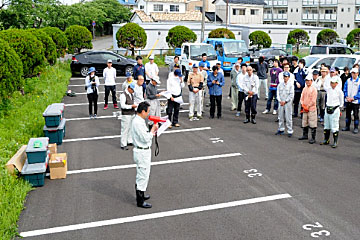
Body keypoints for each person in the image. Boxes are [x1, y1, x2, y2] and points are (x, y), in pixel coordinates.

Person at [131, 101, 159, 208]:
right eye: (147, 111)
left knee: (144, 174)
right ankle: (140, 200)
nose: (148, 114)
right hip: (141, 151)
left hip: (143, 150)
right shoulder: (138, 122)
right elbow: (145, 138)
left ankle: (141, 194)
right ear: (142, 111)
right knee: (142, 175)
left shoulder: (139, 120)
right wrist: (152, 131)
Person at [321, 78, 344, 148]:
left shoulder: (339, 91)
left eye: (334, 83)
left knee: (334, 126)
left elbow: (341, 101)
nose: (332, 84)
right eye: (331, 83)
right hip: (328, 107)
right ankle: (326, 139)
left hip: (335, 108)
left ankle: (335, 141)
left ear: (337, 83)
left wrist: (339, 109)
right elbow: (324, 85)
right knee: (326, 125)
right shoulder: (328, 89)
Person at [298, 75, 318, 144]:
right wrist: (303, 104)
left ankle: (313, 137)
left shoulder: (314, 89)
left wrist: (308, 106)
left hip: (311, 108)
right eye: (306, 80)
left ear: (311, 81)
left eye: (309, 80)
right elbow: (302, 98)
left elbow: (313, 100)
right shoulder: (304, 88)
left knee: (312, 123)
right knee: (304, 122)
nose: (307, 82)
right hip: (305, 108)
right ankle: (305, 135)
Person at [275, 71, 294, 137]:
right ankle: (281, 129)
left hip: (287, 103)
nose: (285, 78)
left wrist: (285, 101)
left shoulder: (291, 85)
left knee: (288, 117)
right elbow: (277, 94)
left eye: (286, 77)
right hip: (281, 102)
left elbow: (291, 95)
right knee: (280, 116)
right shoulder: (280, 84)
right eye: (284, 76)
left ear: (288, 77)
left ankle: (290, 130)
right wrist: (280, 101)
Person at [342, 68, 360, 134]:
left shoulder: (359, 81)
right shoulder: (348, 80)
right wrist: (346, 96)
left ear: (357, 73)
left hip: (355, 101)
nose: (354, 74)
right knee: (347, 114)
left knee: (356, 115)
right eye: (352, 73)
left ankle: (356, 127)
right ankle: (347, 126)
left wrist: (354, 98)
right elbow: (345, 89)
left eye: (355, 73)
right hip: (348, 100)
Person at [120, 83, 137, 150]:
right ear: (129, 88)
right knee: (125, 129)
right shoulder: (123, 95)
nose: (133, 91)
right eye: (132, 90)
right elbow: (123, 106)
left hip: (132, 113)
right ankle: (123, 144)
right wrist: (131, 106)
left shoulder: (131, 94)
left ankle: (129, 141)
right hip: (126, 114)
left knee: (131, 128)